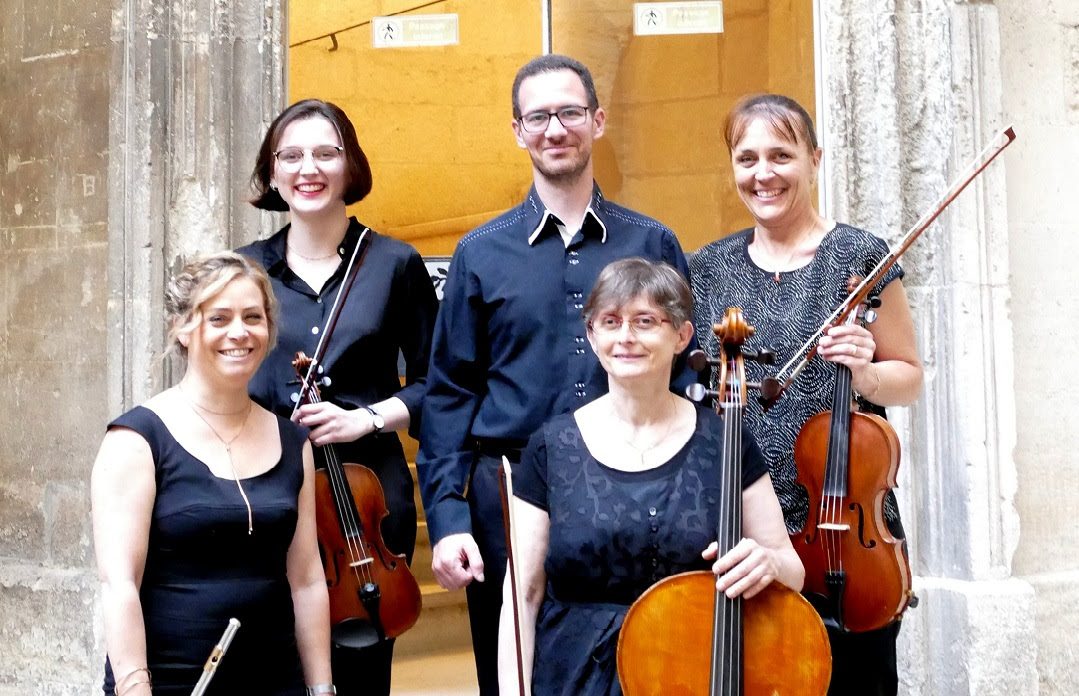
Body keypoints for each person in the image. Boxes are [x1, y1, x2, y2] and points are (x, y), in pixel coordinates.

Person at [416, 55, 692, 694]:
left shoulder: (652, 242)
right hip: (506, 488)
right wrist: (451, 518)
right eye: (538, 116)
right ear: (518, 131)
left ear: (596, 121)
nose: (555, 128)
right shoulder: (479, 253)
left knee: (639, 663)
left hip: (634, 484)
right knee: (511, 667)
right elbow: (451, 392)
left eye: (569, 112)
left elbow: (683, 381)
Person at [689, 93, 924, 696]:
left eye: (781, 155)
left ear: (815, 159)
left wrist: (867, 372)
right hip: (746, 533)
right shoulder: (708, 269)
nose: (762, 173)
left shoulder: (859, 257)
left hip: (844, 536)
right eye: (747, 158)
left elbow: (910, 375)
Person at [496, 258, 804, 695]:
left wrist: (768, 563)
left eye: (645, 321)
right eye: (610, 321)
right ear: (592, 335)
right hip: (575, 677)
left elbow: (792, 569)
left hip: (696, 673)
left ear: (682, 336)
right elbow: (523, 594)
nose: (625, 337)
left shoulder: (726, 440)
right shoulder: (552, 446)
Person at [238, 99, 439, 696]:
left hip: (368, 493)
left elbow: (439, 384)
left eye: (326, 152)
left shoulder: (396, 264)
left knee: (361, 668)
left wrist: (366, 419)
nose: (309, 168)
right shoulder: (247, 270)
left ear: (350, 166)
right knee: (272, 662)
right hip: (269, 485)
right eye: (292, 155)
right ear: (272, 173)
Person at [91, 252, 333, 695]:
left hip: (275, 682)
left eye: (252, 317)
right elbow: (119, 585)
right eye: (218, 318)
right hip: (170, 683)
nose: (239, 332)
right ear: (183, 328)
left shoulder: (293, 442)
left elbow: (307, 580)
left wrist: (322, 690)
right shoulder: (135, 440)